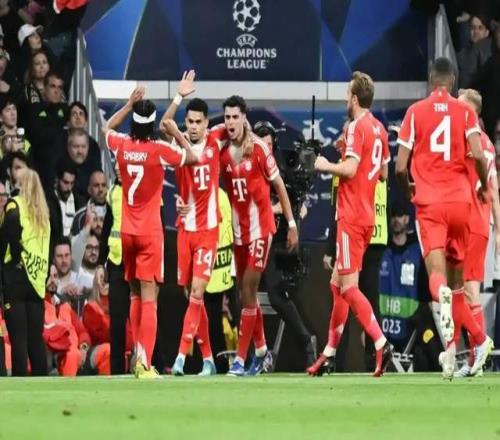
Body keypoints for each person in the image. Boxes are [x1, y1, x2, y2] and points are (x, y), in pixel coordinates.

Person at [396, 57, 493, 379]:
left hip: (430, 205)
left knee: (438, 279)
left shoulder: (415, 112)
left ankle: (446, 306)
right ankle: (469, 344)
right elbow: (478, 155)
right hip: (461, 204)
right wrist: (482, 185)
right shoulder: (465, 112)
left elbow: (400, 167)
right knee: (458, 284)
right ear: (452, 81)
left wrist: (408, 189)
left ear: (430, 79)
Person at [103, 86, 199, 379]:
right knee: (149, 297)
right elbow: (192, 157)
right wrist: (177, 132)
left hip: (127, 232)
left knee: (134, 294)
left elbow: (106, 128)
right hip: (149, 232)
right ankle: (144, 363)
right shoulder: (159, 150)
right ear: (153, 123)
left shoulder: (121, 145)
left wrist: (128, 104)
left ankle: (138, 357)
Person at [314, 71, 392, 377]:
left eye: (348, 95)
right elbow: (383, 174)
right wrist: (349, 152)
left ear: (355, 99)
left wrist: (326, 165)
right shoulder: (379, 128)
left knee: (348, 288)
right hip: (367, 216)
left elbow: (349, 169)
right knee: (337, 285)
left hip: (351, 215)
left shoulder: (358, 126)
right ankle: (329, 353)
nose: (346, 100)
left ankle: (380, 342)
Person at [218, 95, 298, 376]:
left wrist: (291, 223)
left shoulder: (260, 149)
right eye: (227, 117)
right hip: (239, 233)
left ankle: (240, 360)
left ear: (244, 118)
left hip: (261, 230)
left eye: (235, 117)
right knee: (246, 296)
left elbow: (280, 186)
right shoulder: (222, 151)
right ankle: (263, 352)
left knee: (249, 288)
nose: (230, 122)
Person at [160, 73, 221, 376]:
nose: (194, 126)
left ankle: (181, 357)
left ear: (207, 123)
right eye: (190, 121)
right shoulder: (178, 142)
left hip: (208, 231)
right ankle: (208, 358)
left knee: (197, 293)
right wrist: (178, 97)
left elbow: (193, 154)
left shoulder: (214, 144)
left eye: (199, 122)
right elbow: (164, 124)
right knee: (192, 297)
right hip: (185, 230)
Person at [254, 120, 316, 369]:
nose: (265, 149)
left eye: (269, 144)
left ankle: (305, 342)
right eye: (261, 144)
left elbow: (299, 205)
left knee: (277, 296)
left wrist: (292, 212)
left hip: (276, 241)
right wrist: (275, 208)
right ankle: (252, 355)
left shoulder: (281, 171)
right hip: (250, 237)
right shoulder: (248, 167)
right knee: (243, 297)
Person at [454, 88, 500, 378]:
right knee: (462, 290)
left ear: (471, 112)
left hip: (473, 224)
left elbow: (492, 191)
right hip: (473, 223)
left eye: (461, 108)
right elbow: (493, 190)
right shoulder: (483, 142)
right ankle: (475, 360)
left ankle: (478, 350)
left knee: (467, 291)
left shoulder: (476, 142)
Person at [0, 168, 50, 376]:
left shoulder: (15, 205)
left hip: (17, 277)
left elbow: (9, 237)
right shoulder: (44, 216)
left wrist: (15, 258)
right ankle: (42, 382)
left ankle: (20, 382)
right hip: (37, 280)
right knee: (35, 339)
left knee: (19, 339)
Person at [457, 14, 492, 88]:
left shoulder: (493, 53)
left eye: (480, 28)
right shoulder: (461, 55)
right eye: (473, 28)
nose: (476, 31)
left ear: (487, 32)